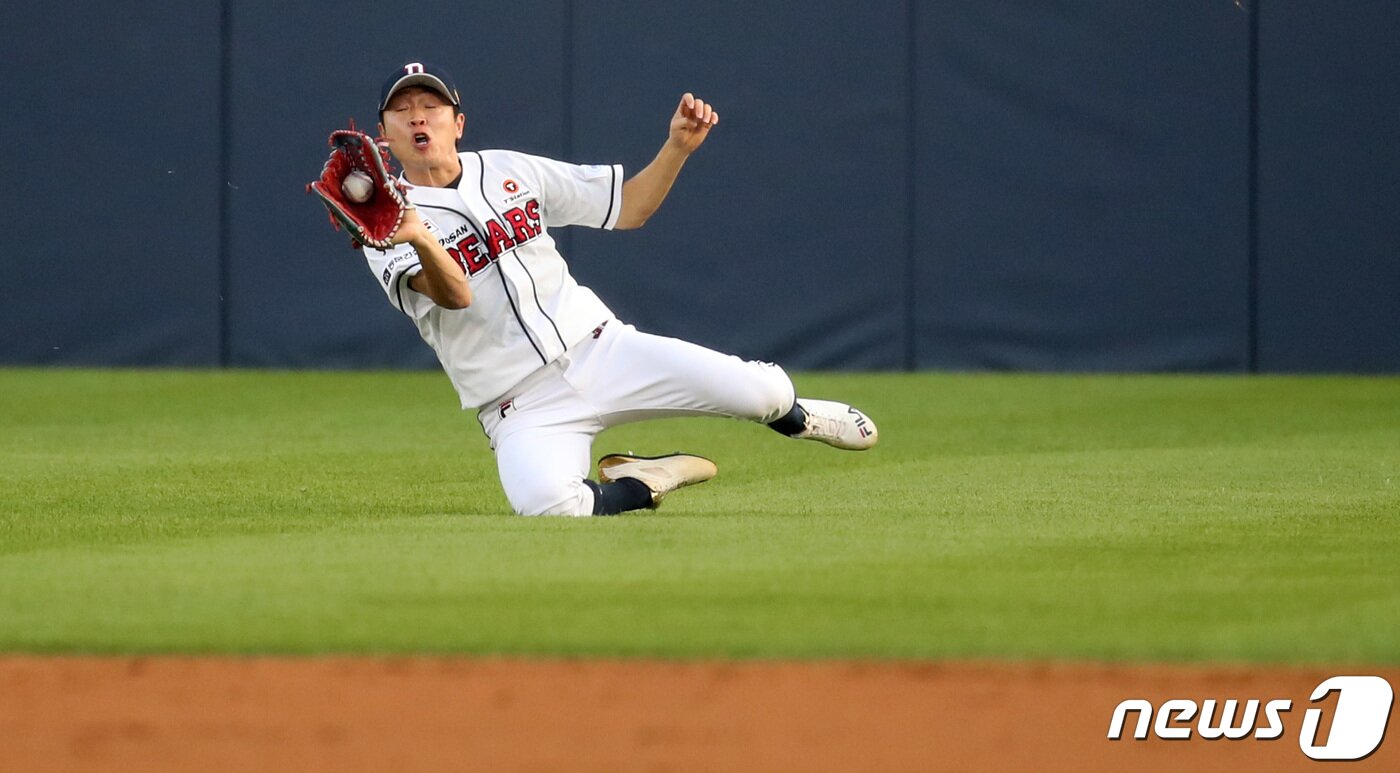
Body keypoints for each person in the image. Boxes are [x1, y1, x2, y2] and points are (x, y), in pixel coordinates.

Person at [360, 61, 877, 516]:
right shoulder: (383, 226)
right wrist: (418, 237)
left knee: (764, 392)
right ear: (385, 134)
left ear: (459, 122)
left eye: (431, 104)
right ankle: (648, 481)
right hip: (517, 403)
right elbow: (454, 295)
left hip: (602, 349)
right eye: (402, 110)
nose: (419, 116)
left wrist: (677, 147)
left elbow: (629, 209)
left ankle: (797, 416)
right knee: (548, 505)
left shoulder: (510, 169)